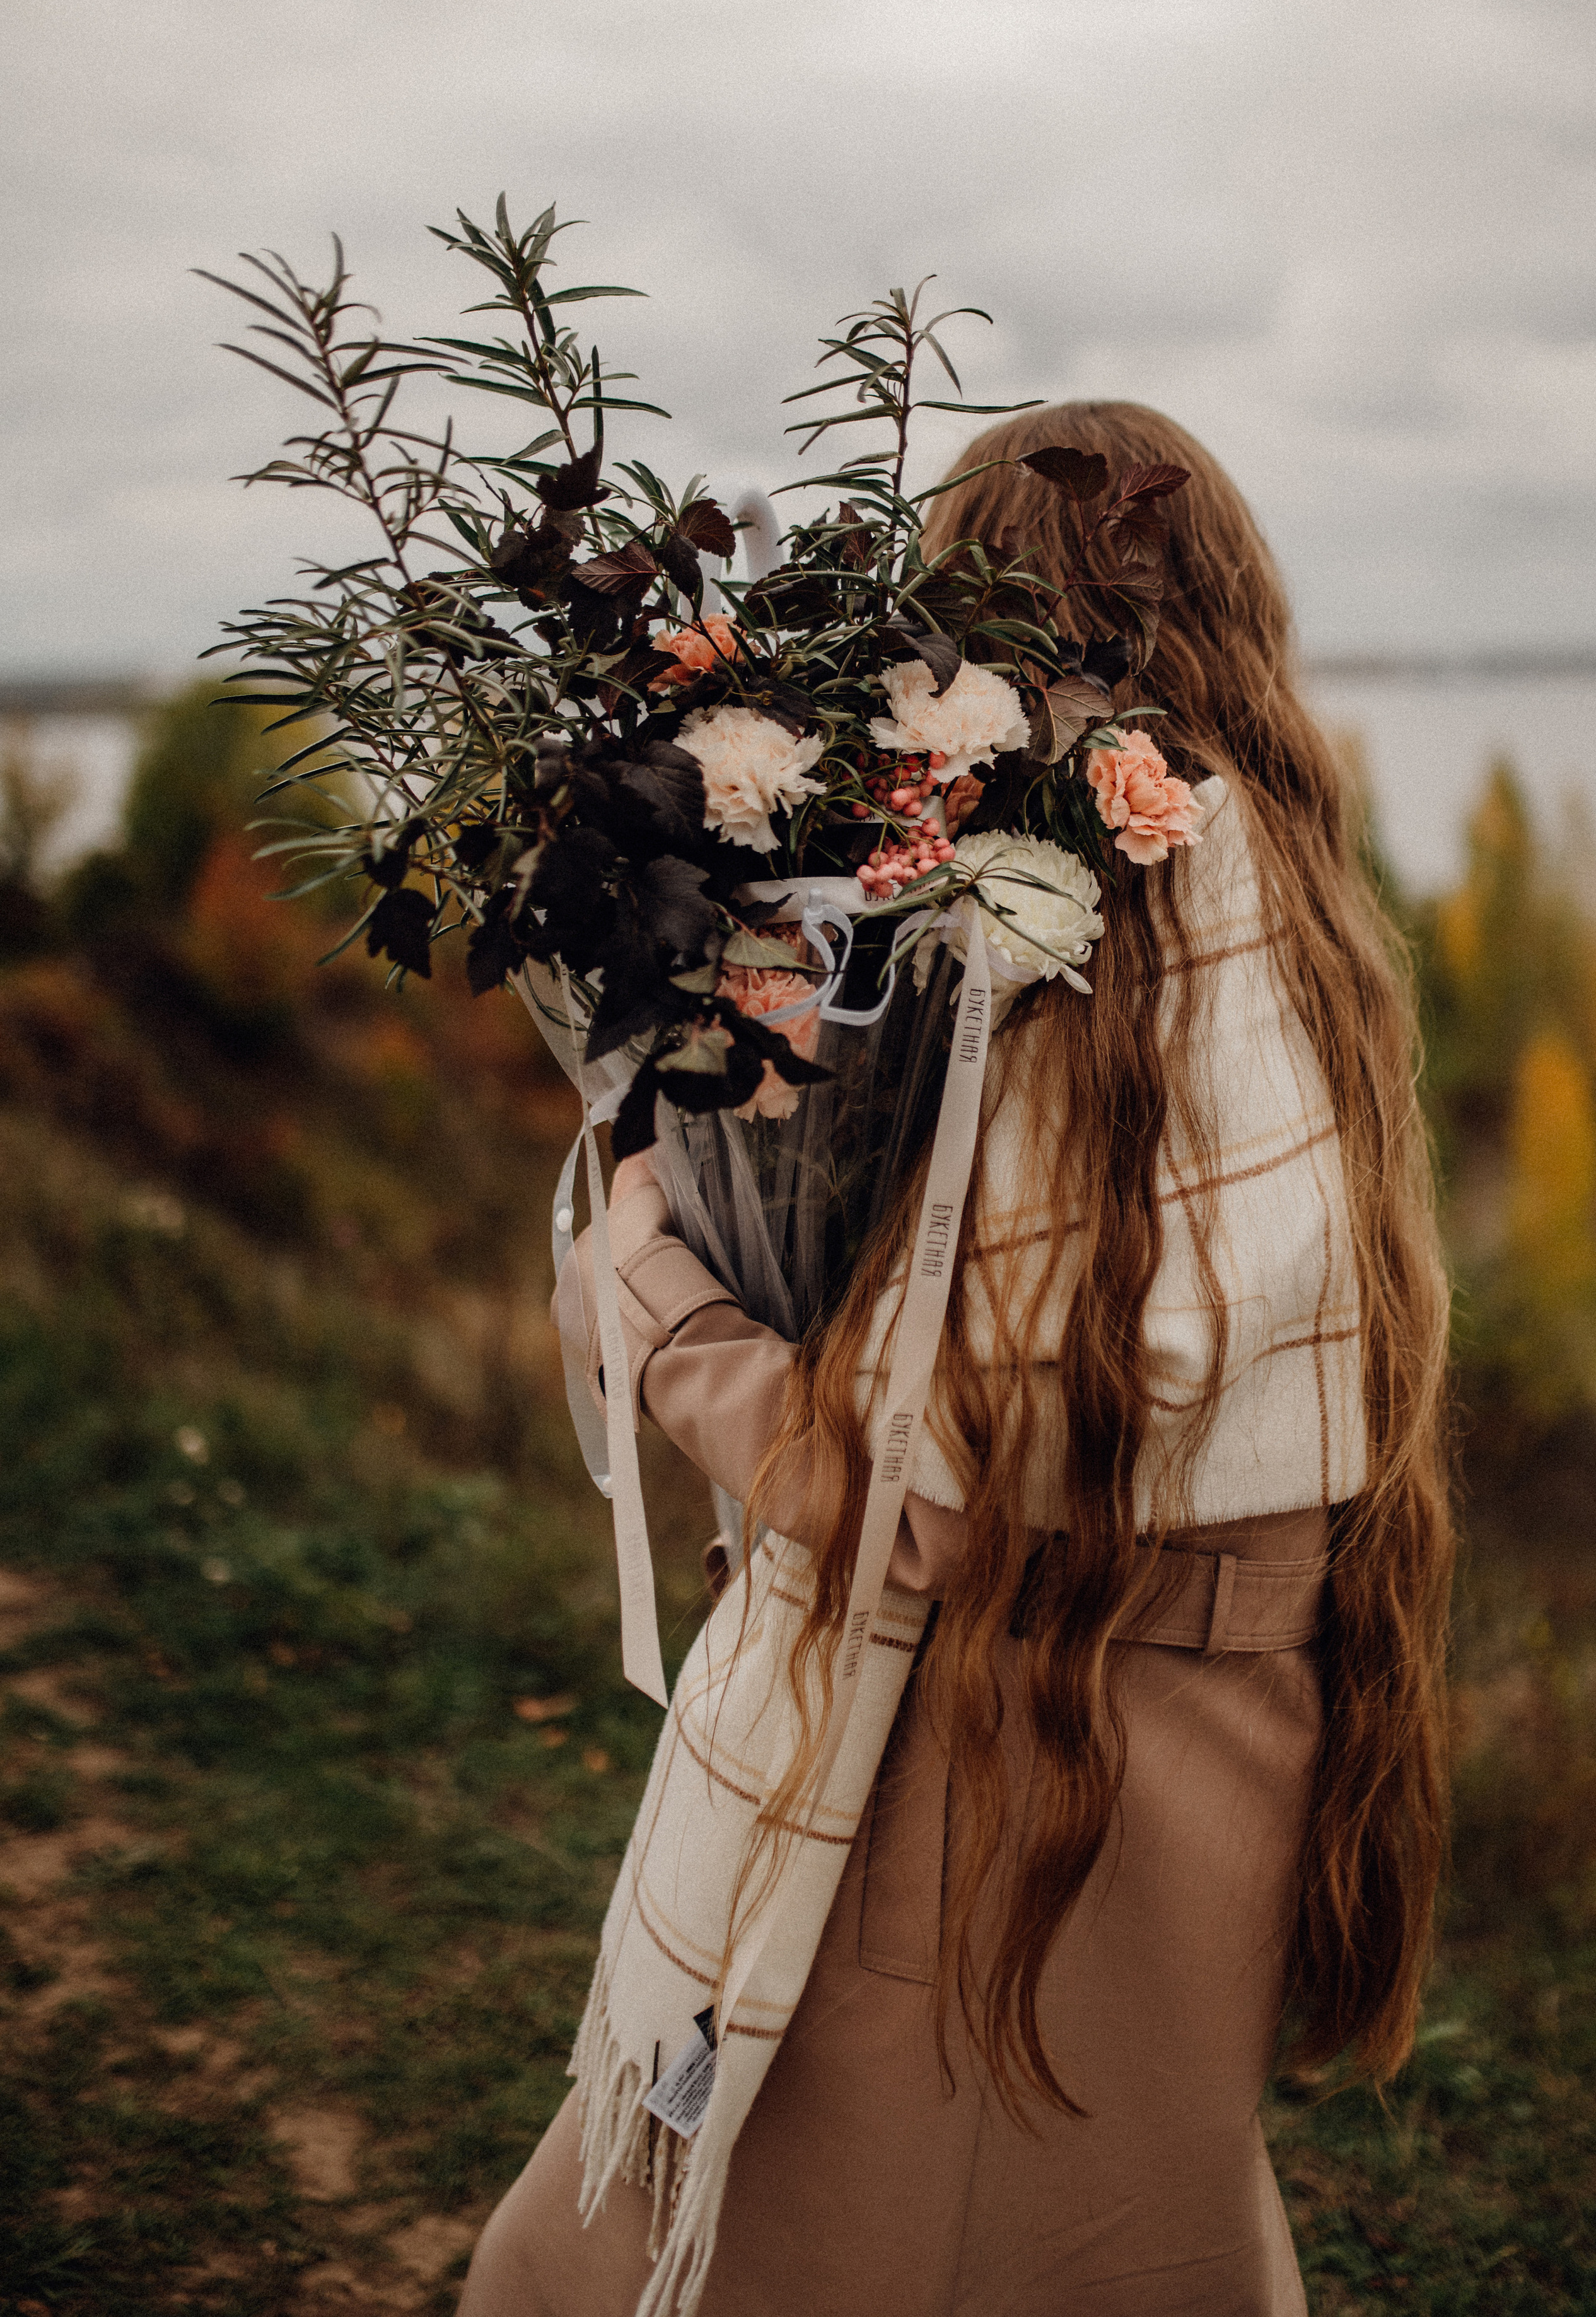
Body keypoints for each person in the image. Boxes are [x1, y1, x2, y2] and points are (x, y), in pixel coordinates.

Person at [460, 402, 1455, 2317]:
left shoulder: (1072, 931)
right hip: (1216, 1745)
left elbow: (919, 1495)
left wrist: (648, 1284)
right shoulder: (1306, 909)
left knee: (742, 2247)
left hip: (986, 1757)